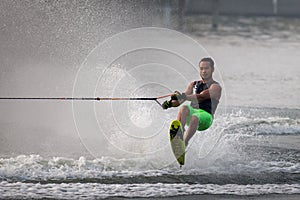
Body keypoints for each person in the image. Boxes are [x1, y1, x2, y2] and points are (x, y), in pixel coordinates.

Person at [162, 57, 222, 147]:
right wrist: (170, 103)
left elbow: (201, 96)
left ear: (212, 69)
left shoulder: (216, 87)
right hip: (193, 113)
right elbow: (179, 102)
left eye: (206, 68)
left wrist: (183, 96)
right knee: (184, 108)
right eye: (201, 68)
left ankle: (185, 143)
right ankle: (179, 135)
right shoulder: (193, 85)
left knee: (195, 116)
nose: (204, 71)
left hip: (206, 117)